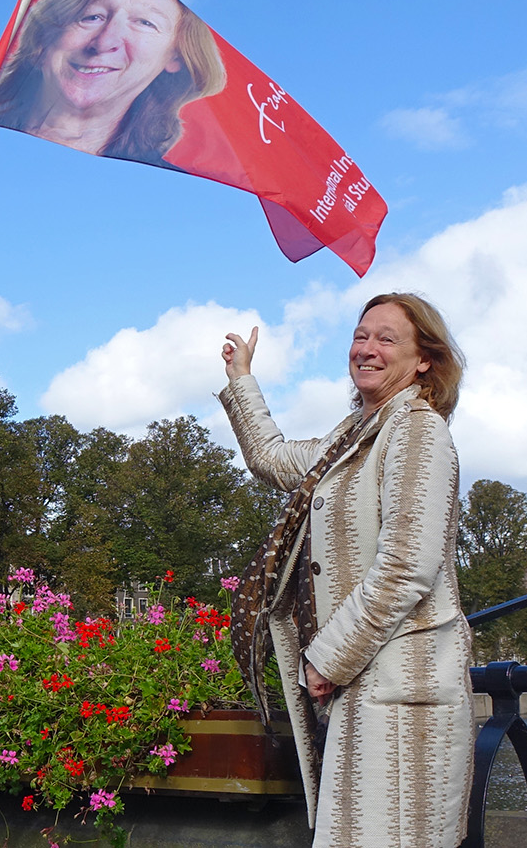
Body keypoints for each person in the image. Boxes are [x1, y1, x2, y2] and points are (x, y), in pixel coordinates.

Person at [219, 293, 471, 847]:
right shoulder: (350, 437)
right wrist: (242, 379)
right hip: (362, 688)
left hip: (401, 694)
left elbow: (407, 566)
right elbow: (271, 458)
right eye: (361, 336)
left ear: (424, 360)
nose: (367, 348)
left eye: (386, 338)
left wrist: (326, 659)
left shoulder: (418, 431)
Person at [0, 0, 226, 166]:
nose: (104, 42)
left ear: (176, 58)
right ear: (44, 39)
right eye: (91, 16)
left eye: (145, 23)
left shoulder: (161, 184)